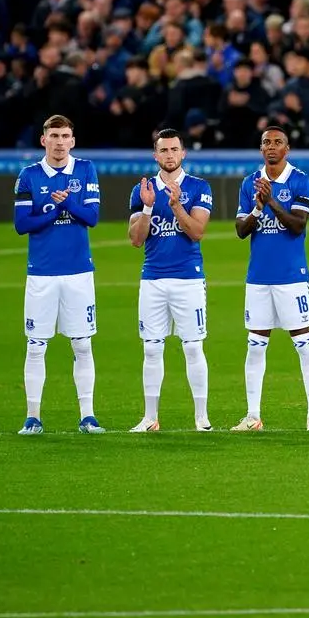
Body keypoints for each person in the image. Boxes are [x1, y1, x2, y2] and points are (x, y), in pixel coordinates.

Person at [12, 115, 105, 435]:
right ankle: (33, 417)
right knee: (36, 346)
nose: (60, 141)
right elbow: (22, 224)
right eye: (54, 136)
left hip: (79, 272)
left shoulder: (85, 169)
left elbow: (91, 217)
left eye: (66, 136)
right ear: (43, 140)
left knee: (82, 344)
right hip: (42, 273)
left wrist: (66, 206)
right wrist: (55, 209)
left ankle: (88, 415)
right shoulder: (29, 176)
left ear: (73, 141)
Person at [231, 126, 309, 431]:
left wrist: (270, 202)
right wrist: (257, 205)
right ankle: (253, 415)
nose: (271, 147)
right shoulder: (249, 183)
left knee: (304, 344)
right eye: (266, 142)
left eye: (277, 142)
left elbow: (298, 225)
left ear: (287, 149)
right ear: (261, 150)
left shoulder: (300, 180)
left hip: (291, 277)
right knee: (255, 346)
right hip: (258, 278)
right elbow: (241, 231)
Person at [126, 129, 214, 432]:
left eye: (174, 149)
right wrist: (148, 207)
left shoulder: (199, 187)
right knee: (151, 348)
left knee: (192, 347)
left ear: (183, 153)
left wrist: (176, 205)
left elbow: (197, 233)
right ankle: (150, 418)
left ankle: (201, 417)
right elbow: (136, 240)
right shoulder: (142, 190)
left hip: (188, 279)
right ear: (155, 155)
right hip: (152, 279)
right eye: (163, 150)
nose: (169, 155)